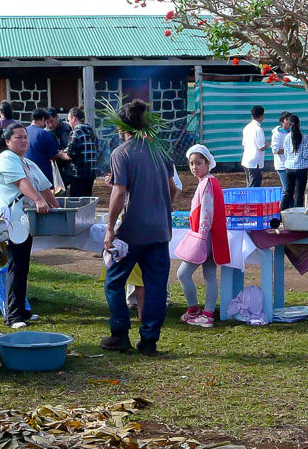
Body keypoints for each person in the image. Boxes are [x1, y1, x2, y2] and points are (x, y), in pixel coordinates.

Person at [102, 100, 177, 355]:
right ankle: (149, 341)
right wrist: (160, 208)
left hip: (133, 231)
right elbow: (173, 189)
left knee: (114, 281)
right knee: (156, 286)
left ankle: (119, 334)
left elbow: (119, 192)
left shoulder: (121, 153)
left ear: (120, 126)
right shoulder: (159, 149)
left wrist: (110, 228)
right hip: (160, 230)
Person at [0, 123, 60, 328]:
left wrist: (57, 207)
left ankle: (21, 310)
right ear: (7, 141)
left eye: (25, 137)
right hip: (11, 219)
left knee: (22, 265)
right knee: (15, 265)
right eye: (18, 137)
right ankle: (13, 315)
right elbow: (22, 183)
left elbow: (44, 187)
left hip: (24, 220)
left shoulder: (27, 162)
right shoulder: (6, 158)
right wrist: (37, 200)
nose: (24, 140)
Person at [177, 144, 230, 328]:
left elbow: (207, 213)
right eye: (192, 163)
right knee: (209, 276)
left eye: (198, 163)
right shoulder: (208, 182)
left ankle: (195, 310)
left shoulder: (207, 183)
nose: (194, 167)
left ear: (208, 163)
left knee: (183, 274)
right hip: (211, 237)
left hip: (204, 237)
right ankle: (207, 314)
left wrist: (201, 237)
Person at [281, 114, 308, 209]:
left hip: (289, 168)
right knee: (299, 194)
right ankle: (297, 214)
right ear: (299, 124)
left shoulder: (287, 137)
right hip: (301, 169)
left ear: (289, 125)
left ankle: (281, 213)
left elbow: (286, 154)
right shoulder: (304, 137)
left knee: (288, 192)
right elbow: (306, 155)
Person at [66, 108, 100, 197]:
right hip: (91, 174)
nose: (69, 123)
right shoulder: (91, 132)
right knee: (87, 200)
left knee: (76, 201)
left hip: (78, 174)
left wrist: (60, 154)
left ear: (73, 118)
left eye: (69, 120)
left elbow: (70, 154)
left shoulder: (76, 132)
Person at [25, 109, 60, 185]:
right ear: (43, 119)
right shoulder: (44, 134)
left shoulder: (24, 132)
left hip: (26, 173)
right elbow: (53, 156)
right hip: (42, 174)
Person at [241, 105, 268, 187]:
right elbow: (261, 147)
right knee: (254, 187)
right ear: (262, 116)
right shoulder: (258, 129)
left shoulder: (247, 128)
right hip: (254, 162)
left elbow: (243, 144)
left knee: (249, 184)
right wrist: (267, 145)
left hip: (247, 160)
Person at [270, 111, 292, 190]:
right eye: (286, 119)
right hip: (282, 166)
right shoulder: (277, 134)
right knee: (286, 188)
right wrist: (289, 150)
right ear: (282, 122)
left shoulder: (291, 132)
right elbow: (275, 150)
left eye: (290, 119)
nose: (289, 121)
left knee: (290, 188)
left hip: (291, 165)